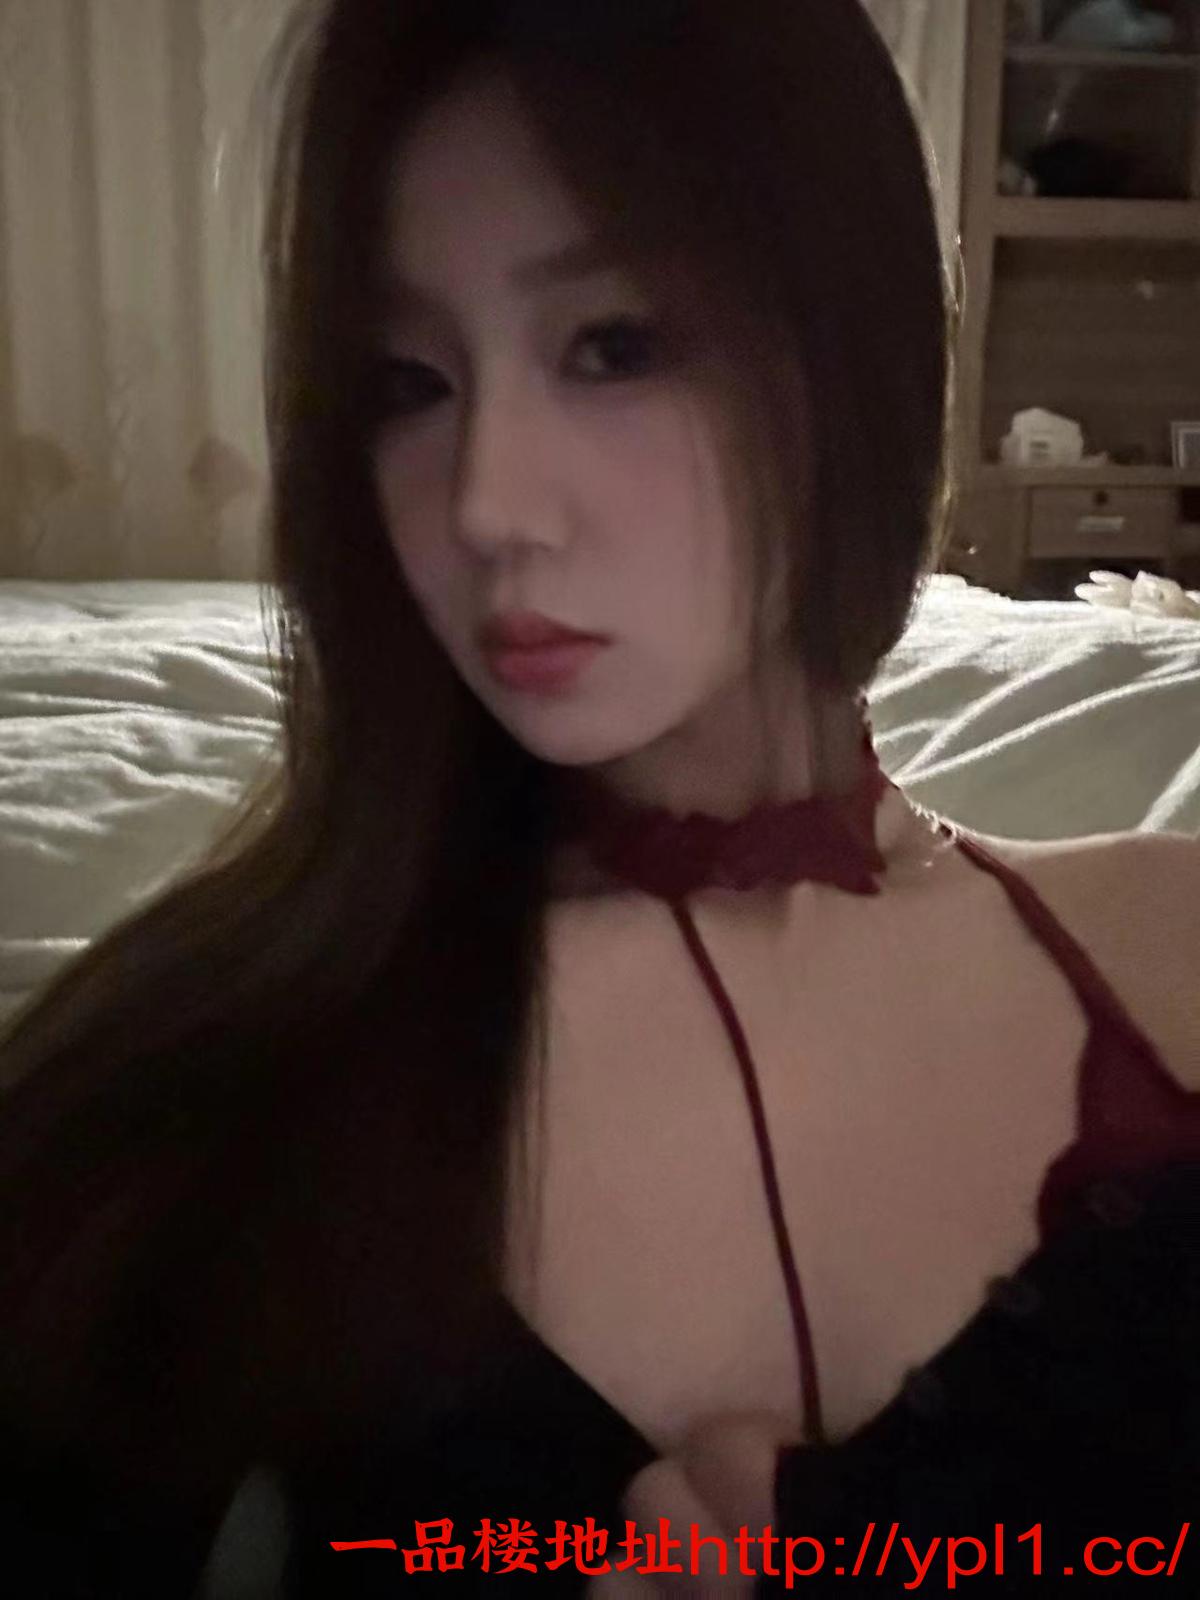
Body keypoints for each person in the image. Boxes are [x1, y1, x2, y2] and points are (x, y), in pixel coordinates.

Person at [0, 1, 1197, 1595]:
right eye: (407, 380)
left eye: (615, 345)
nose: (488, 505)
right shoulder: (199, 1092)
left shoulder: (1171, 945)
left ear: (853, 347)